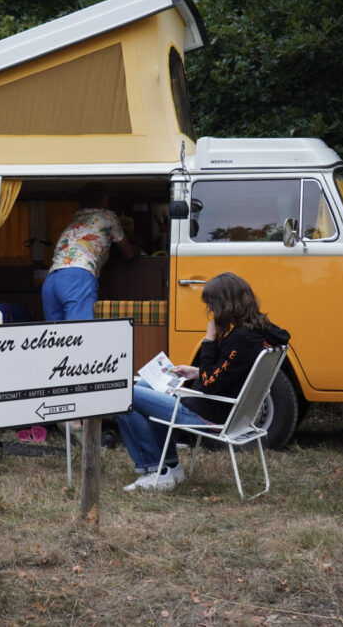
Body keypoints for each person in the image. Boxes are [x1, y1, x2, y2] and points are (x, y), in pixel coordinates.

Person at [117, 272, 290, 491]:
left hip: (208, 416)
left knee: (124, 394)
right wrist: (196, 372)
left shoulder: (239, 339)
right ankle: (170, 466)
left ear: (224, 304)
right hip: (225, 408)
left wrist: (209, 340)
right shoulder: (259, 330)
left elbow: (209, 385)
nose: (211, 311)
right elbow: (231, 372)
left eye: (212, 304)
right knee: (143, 386)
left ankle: (156, 469)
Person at [41, 182, 138, 322]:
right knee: (79, 332)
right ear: (104, 200)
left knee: (56, 336)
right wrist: (138, 249)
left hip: (51, 279)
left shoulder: (77, 217)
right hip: (77, 277)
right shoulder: (108, 216)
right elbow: (128, 252)